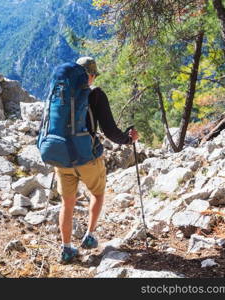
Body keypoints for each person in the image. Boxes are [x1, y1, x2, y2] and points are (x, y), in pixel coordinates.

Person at [56, 56, 139, 263]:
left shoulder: (60, 93)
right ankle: (89, 236)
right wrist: (128, 139)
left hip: (62, 158)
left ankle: (66, 249)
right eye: (93, 75)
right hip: (87, 158)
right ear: (91, 76)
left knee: (67, 203)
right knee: (98, 193)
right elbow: (110, 131)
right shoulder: (96, 95)